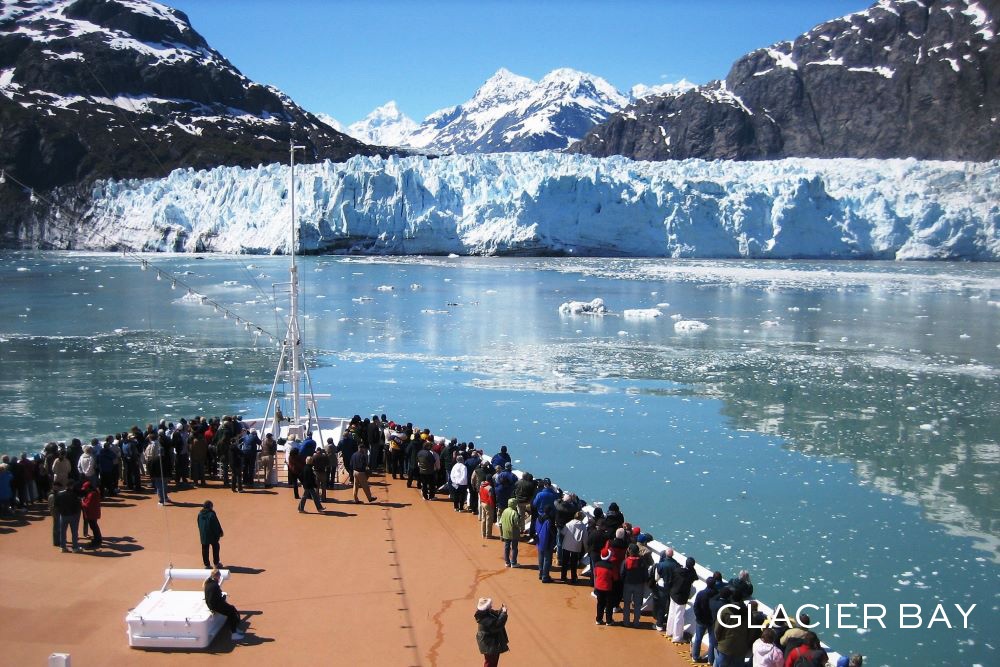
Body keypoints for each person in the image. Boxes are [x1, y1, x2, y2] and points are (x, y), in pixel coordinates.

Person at [204, 568, 244, 641]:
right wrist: (223, 598)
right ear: (217, 576)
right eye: (219, 576)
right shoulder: (215, 586)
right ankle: (234, 633)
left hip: (213, 604)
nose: (219, 578)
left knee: (231, 608)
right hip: (214, 605)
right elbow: (216, 599)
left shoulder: (209, 582)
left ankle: (234, 629)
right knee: (231, 612)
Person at [668, 555, 698, 641]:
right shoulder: (690, 574)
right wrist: (691, 568)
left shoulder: (677, 570)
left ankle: (669, 631)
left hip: (673, 593)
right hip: (681, 597)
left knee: (671, 613)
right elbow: (695, 577)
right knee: (679, 616)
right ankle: (677, 637)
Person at [692, 575, 720, 663]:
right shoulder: (717, 594)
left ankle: (695, 657)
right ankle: (711, 660)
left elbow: (696, 607)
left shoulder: (701, 594)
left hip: (701, 620)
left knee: (698, 638)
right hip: (712, 621)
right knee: (712, 641)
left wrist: (698, 617)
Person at [474, 597, 509, 667]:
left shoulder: (486, 613)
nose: (491, 606)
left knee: (493, 661)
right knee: (490, 662)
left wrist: (501, 610)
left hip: (492, 644)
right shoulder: (484, 619)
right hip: (489, 645)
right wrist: (504, 613)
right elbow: (497, 625)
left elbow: (496, 614)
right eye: (490, 605)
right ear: (486, 607)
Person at [651, 547, 678, 631]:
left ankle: (659, 625)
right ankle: (669, 624)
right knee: (670, 606)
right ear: (672, 555)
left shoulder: (660, 565)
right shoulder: (676, 564)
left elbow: (656, 578)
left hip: (662, 588)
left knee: (661, 606)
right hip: (672, 588)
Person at [621, 542, 647, 626]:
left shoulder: (625, 561)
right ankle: (636, 622)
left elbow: (622, 573)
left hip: (628, 584)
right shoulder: (642, 562)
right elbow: (645, 574)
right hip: (639, 585)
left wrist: (624, 581)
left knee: (627, 604)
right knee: (637, 604)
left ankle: (626, 622)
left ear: (630, 551)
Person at [559, 510, 587, 583]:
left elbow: (563, 532)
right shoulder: (583, 526)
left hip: (566, 545)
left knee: (565, 562)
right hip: (576, 546)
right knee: (574, 563)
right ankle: (573, 577)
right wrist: (586, 549)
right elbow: (585, 539)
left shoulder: (569, 523)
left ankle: (563, 576)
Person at [592, 547, 618, 625]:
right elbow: (615, 578)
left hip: (599, 587)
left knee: (600, 604)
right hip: (608, 588)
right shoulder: (611, 566)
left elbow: (595, 574)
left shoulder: (597, 564)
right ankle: (609, 620)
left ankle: (599, 619)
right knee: (609, 605)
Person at [55, 484, 82, 553]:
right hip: (73, 516)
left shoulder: (60, 495)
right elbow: (78, 505)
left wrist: (61, 512)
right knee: (74, 532)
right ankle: (75, 547)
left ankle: (63, 547)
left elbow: (56, 505)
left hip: (63, 516)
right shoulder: (74, 495)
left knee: (63, 532)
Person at [197, 500, 224, 568]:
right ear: (210, 507)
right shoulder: (212, 514)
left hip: (203, 535)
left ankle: (207, 565)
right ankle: (216, 563)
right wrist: (219, 532)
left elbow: (198, 523)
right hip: (212, 535)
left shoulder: (200, 514)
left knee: (205, 549)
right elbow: (216, 524)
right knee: (216, 548)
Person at [498, 498, 522, 568]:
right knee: (514, 547)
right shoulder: (514, 512)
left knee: (506, 547)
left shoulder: (505, 511)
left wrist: (501, 534)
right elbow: (517, 523)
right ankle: (513, 562)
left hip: (505, 532)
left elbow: (500, 522)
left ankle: (507, 562)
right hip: (514, 532)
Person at [534, 508, 555, 583]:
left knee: (541, 558)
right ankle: (545, 576)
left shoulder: (538, 519)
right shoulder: (549, 521)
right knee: (547, 559)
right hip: (547, 542)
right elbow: (552, 532)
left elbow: (535, 528)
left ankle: (541, 573)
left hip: (539, 541)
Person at [80, 481, 103, 549]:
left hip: (91, 513)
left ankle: (97, 540)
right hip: (94, 513)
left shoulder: (92, 494)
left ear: (89, 488)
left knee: (94, 527)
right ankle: (97, 539)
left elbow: (87, 505)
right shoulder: (95, 492)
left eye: (86, 488)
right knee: (94, 527)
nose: (85, 490)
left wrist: (82, 501)